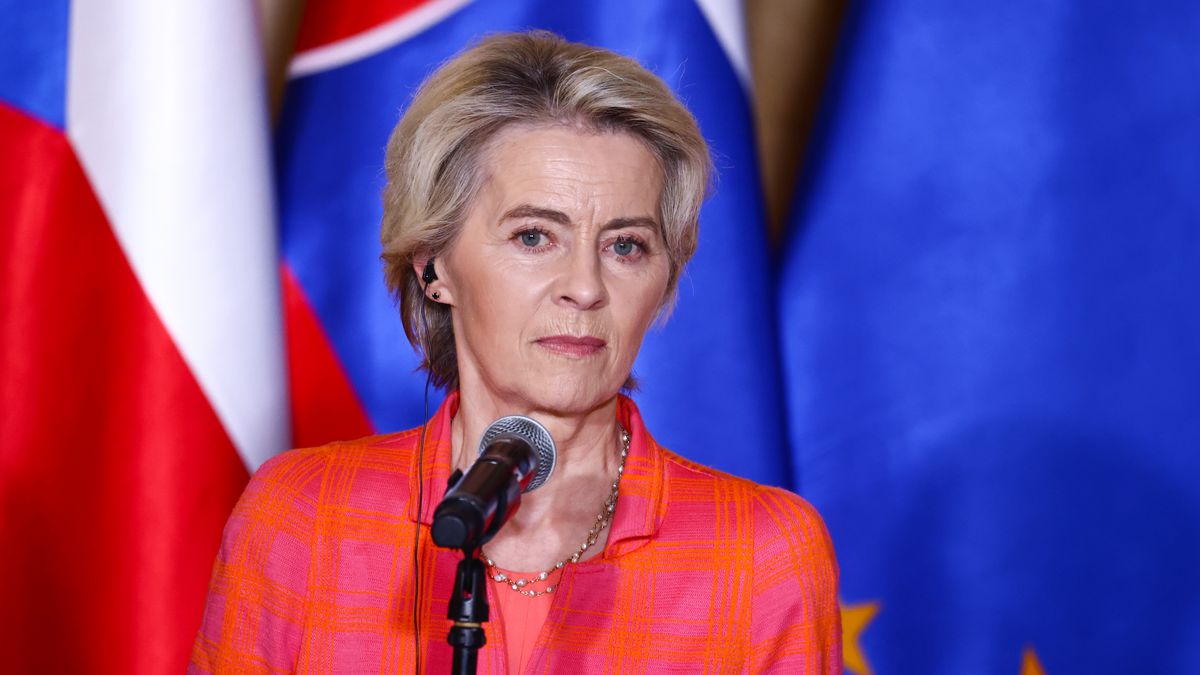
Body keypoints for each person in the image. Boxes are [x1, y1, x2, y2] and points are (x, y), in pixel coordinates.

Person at [190, 30, 841, 673]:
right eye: (535, 236)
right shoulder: (303, 515)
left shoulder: (760, 551)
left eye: (626, 246)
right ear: (433, 266)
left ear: (664, 278)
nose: (585, 287)